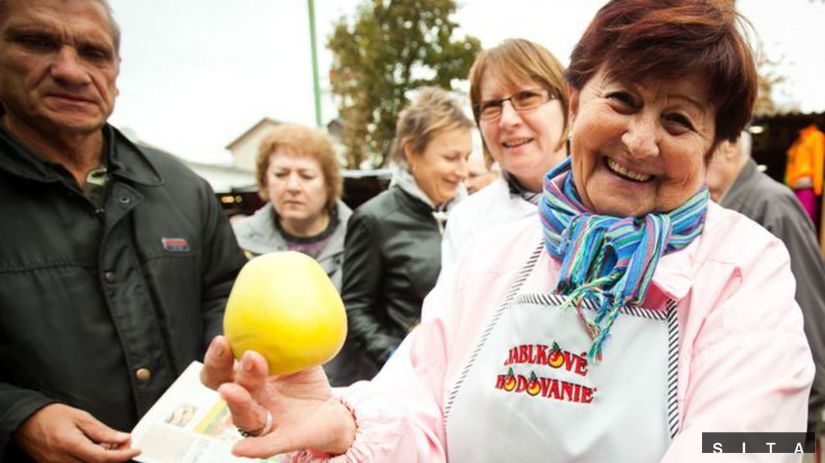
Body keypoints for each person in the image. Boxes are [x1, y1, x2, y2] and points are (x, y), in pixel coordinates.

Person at [202, 1, 814, 461]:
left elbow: (746, 445)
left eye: (679, 121)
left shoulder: (745, 269)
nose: (639, 140)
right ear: (577, 102)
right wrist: (346, 424)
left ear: (713, 147)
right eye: (622, 99)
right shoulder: (498, 251)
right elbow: (418, 406)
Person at [0, 0, 246, 461]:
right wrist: (18, 418)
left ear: (115, 69)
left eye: (94, 53)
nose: (71, 71)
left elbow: (223, 290)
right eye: (37, 42)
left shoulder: (181, 187)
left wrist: (229, 355)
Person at [341, 86, 473, 379]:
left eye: (467, 157)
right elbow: (354, 308)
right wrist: (397, 358)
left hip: (465, 375)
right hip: (407, 382)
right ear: (412, 152)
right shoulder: (373, 219)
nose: (463, 171)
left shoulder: (474, 214)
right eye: (451, 158)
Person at [706, 130, 825, 437]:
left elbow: (809, 311)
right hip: (742, 417)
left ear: (729, 146)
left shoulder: (773, 205)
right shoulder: (724, 208)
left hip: (777, 428)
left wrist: (804, 431)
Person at [439, 38, 569, 279]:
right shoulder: (466, 221)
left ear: (568, 103)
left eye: (527, 97)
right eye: (490, 106)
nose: (507, 120)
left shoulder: (619, 202)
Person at [232, 124, 351, 291]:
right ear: (265, 180)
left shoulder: (362, 238)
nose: (292, 186)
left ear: (329, 184)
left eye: (306, 176)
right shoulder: (239, 240)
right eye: (280, 174)